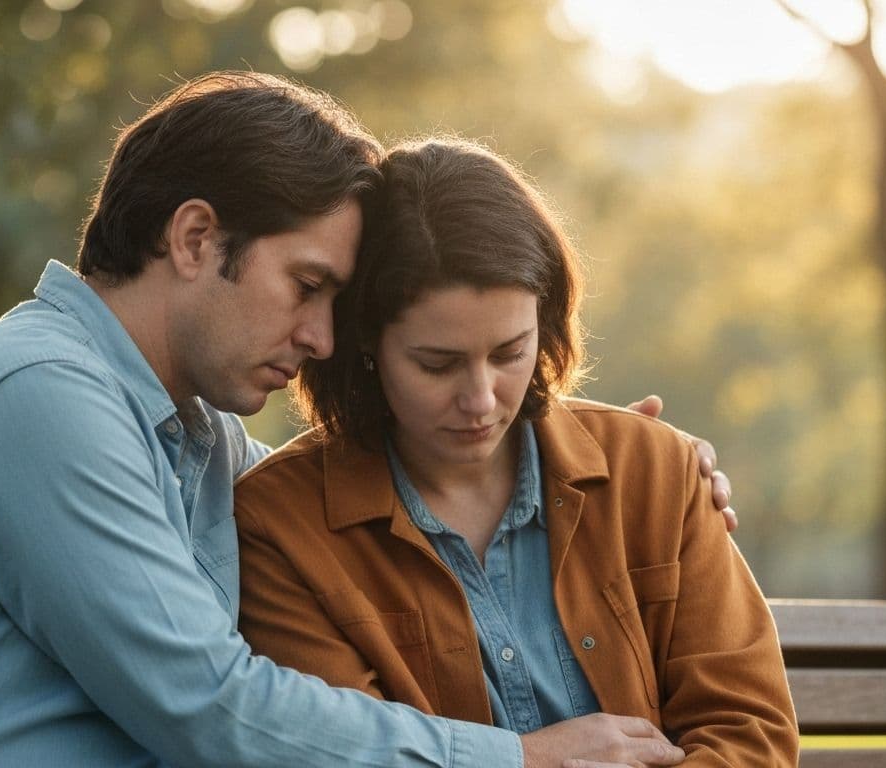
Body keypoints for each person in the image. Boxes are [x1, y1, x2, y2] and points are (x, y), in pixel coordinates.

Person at [0, 72, 731, 767]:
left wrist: (632, 466)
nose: (324, 337)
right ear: (193, 240)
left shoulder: (195, 439)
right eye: (307, 286)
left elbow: (366, 498)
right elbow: (206, 704)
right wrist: (522, 757)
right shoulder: (39, 396)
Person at [234, 138, 798, 765]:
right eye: (437, 364)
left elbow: (752, 734)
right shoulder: (280, 526)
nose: (480, 400)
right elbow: (347, 755)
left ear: (546, 323)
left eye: (508, 353)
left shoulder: (655, 469)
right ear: (366, 340)